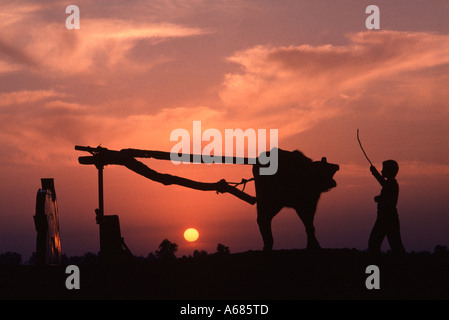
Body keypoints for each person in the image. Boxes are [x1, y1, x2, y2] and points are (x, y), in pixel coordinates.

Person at [368, 160, 406, 255]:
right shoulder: (391, 183)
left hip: (386, 219)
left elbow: (388, 198)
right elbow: (383, 183)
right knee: (394, 244)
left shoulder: (391, 184)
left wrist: (379, 198)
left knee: (374, 243)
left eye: (384, 169)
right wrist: (375, 172)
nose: (382, 171)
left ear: (390, 171)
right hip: (388, 218)